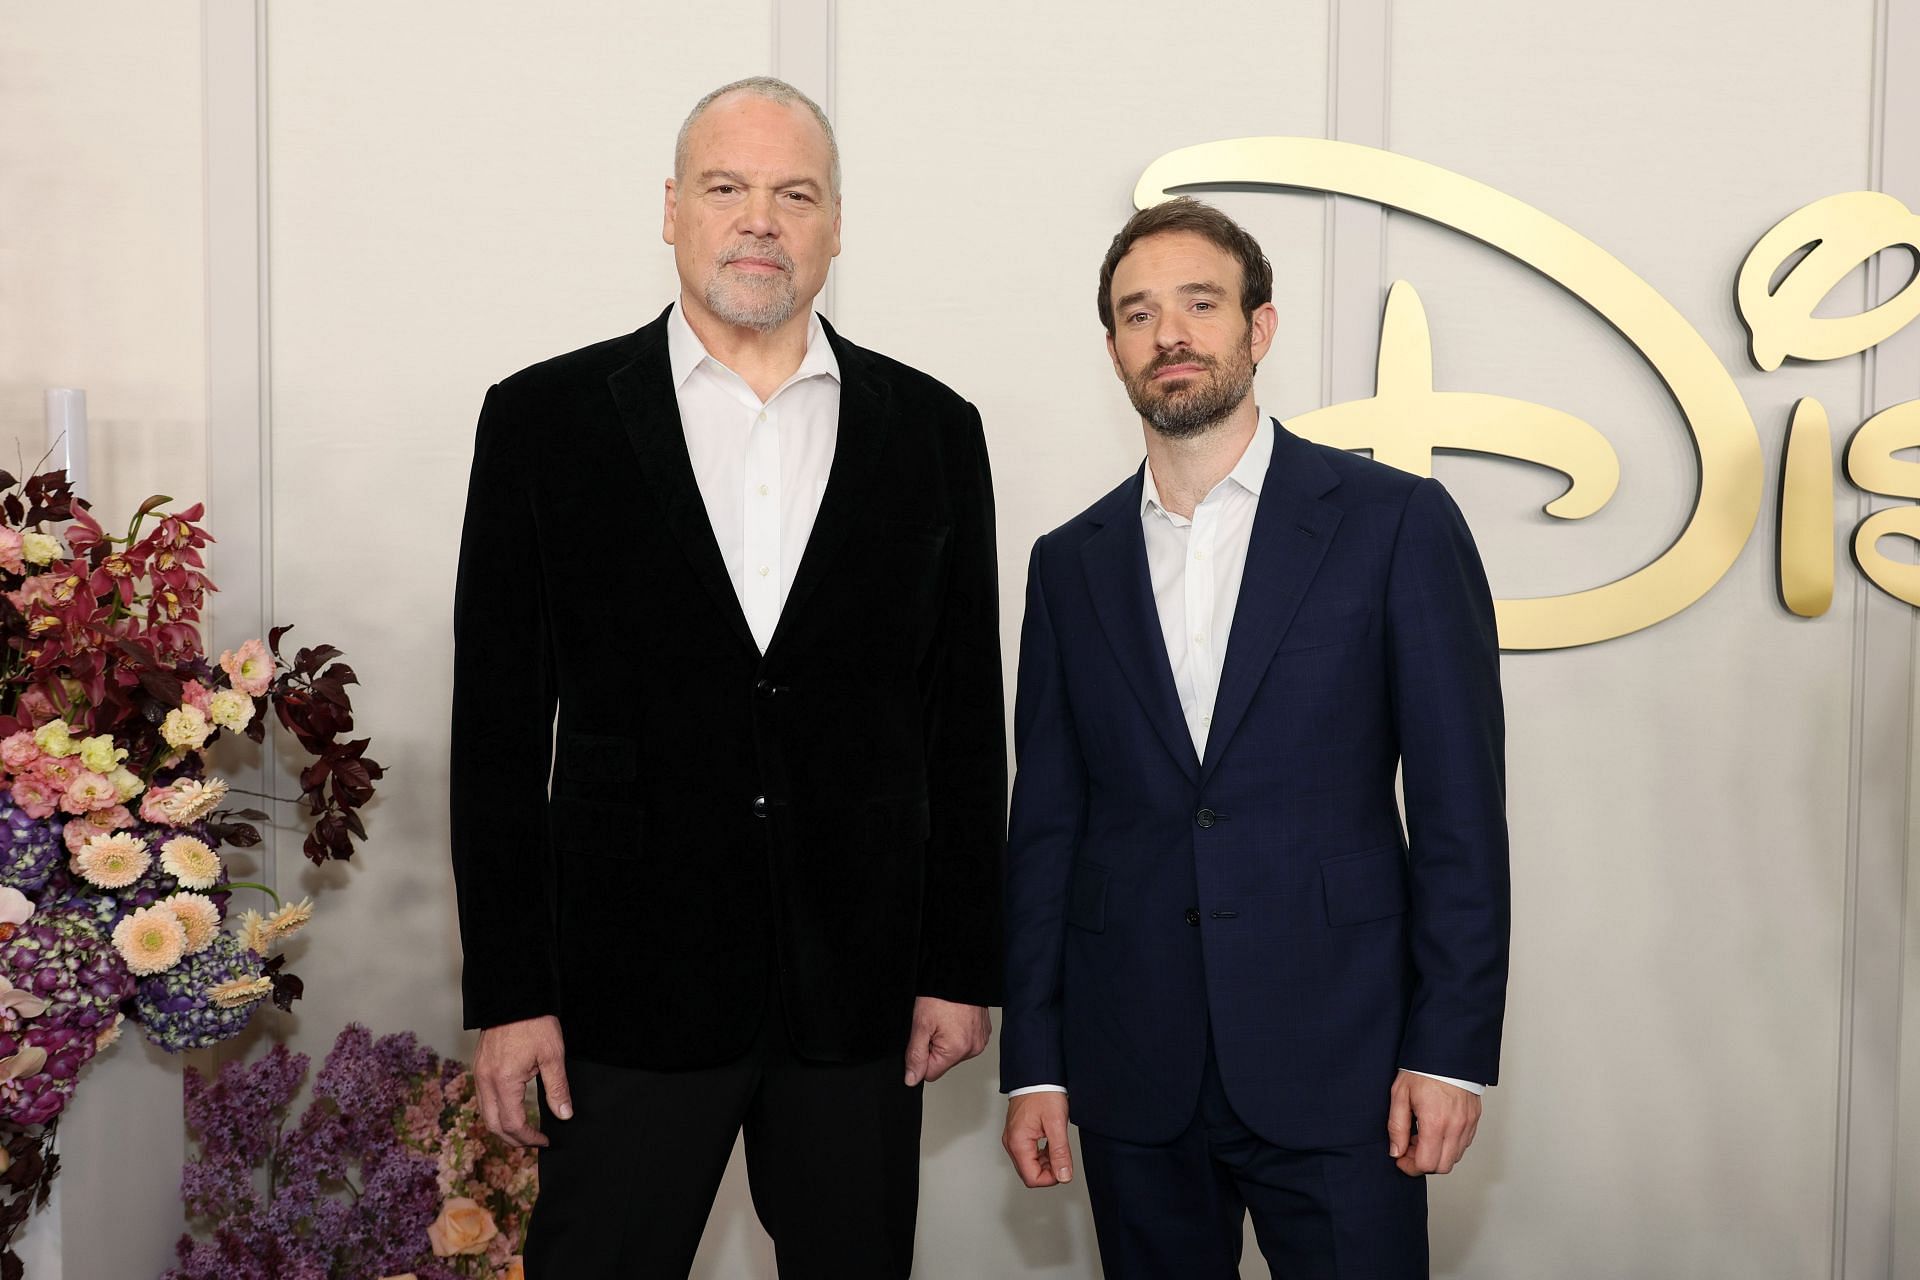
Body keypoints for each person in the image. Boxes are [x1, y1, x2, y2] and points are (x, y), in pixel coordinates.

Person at [448, 76, 1006, 1279]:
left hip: (859, 998)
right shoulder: (544, 421)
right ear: (672, 209)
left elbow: (963, 724)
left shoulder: (933, 431)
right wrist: (511, 991)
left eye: (794, 194)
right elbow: (493, 736)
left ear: (837, 224)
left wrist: (961, 965)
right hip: (621, 992)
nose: (761, 218)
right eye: (728, 188)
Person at [999, 198, 1509, 1278]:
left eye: (1199, 303)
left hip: (1348, 1063)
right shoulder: (1068, 562)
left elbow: (1462, 815)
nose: (1169, 333)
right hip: (1135, 1068)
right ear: (1113, 349)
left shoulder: (1394, 524)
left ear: (1258, 328)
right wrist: (1033, 1063)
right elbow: (1045, 828)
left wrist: (1450, 1050)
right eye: (1139, 314)